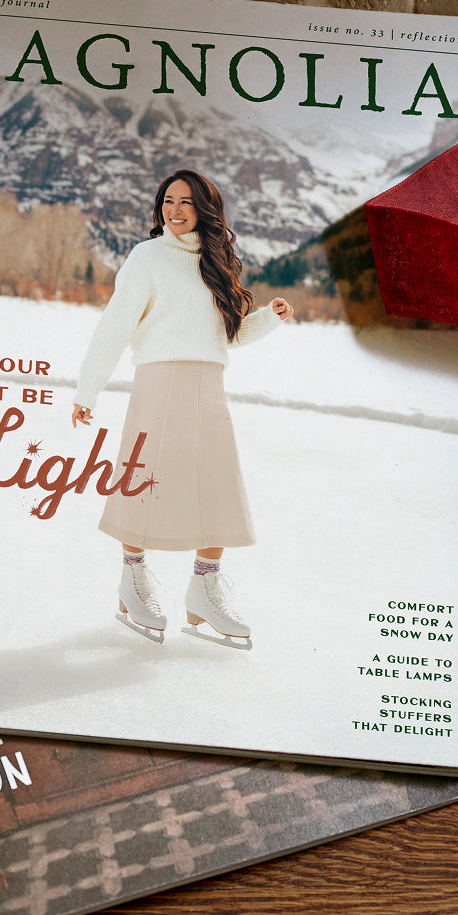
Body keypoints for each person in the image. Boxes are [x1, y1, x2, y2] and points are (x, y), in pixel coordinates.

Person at [71, 169, 293, 645]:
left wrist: (267, 320)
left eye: (186, 202)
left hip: (208, 384)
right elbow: (115, 326)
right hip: (160, 381)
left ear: (205, 210)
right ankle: (132, 581)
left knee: (216, 485)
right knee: (146, 481)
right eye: (168, 200)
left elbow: (225, 336)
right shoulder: (146, 257)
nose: (174, 210)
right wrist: (87, 391)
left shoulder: (215, 263)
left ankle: (204, 590)